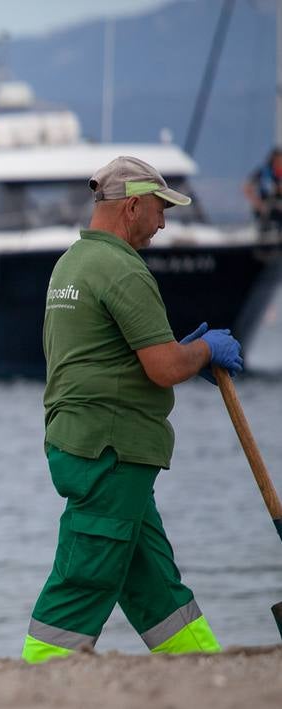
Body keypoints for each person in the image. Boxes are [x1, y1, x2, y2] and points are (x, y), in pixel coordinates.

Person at [23, 156, 244, 664]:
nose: (162, 224)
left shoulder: (71, 264)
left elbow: (102, 357)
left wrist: (185, 354)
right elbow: (163, 368)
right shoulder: (123, 269)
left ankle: (199, 662)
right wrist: (202, 351)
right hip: (111, 449)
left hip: (79, 441)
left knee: (151, 578)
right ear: (133, 206)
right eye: (160, 210)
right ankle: (40, 670)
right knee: (86, 574)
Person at [242, 147, 282, 237]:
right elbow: (246, 187)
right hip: (266, 209)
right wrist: (257, 203)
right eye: (278, 160)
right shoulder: (263, 173)